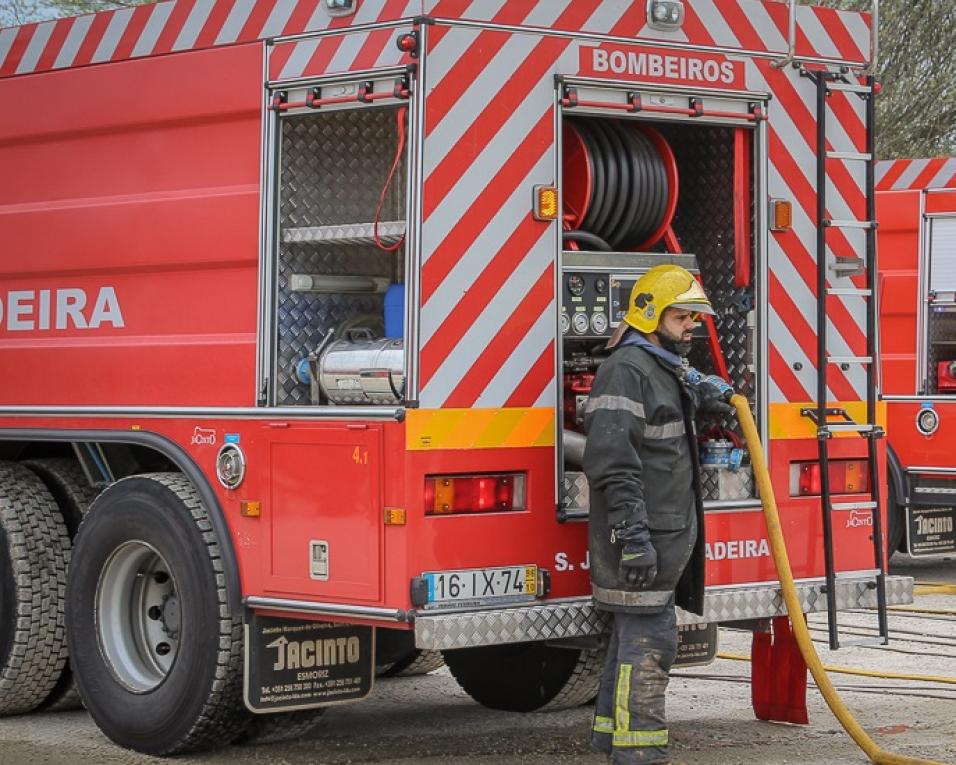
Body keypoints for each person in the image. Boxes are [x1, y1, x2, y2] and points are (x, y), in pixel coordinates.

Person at [582, 264, 732, 765]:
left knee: (631, 643)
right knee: (649, 648)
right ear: (649, 314)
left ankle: (611, 740)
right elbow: (612, 460)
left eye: (694, 315)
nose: (691, 324)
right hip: (639, 539)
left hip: (660, 537)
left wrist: (706, 403)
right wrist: (632, 535)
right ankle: (639, 753)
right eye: (681, 315)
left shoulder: (661, 366)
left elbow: (660, 443)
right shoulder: (628, 369)